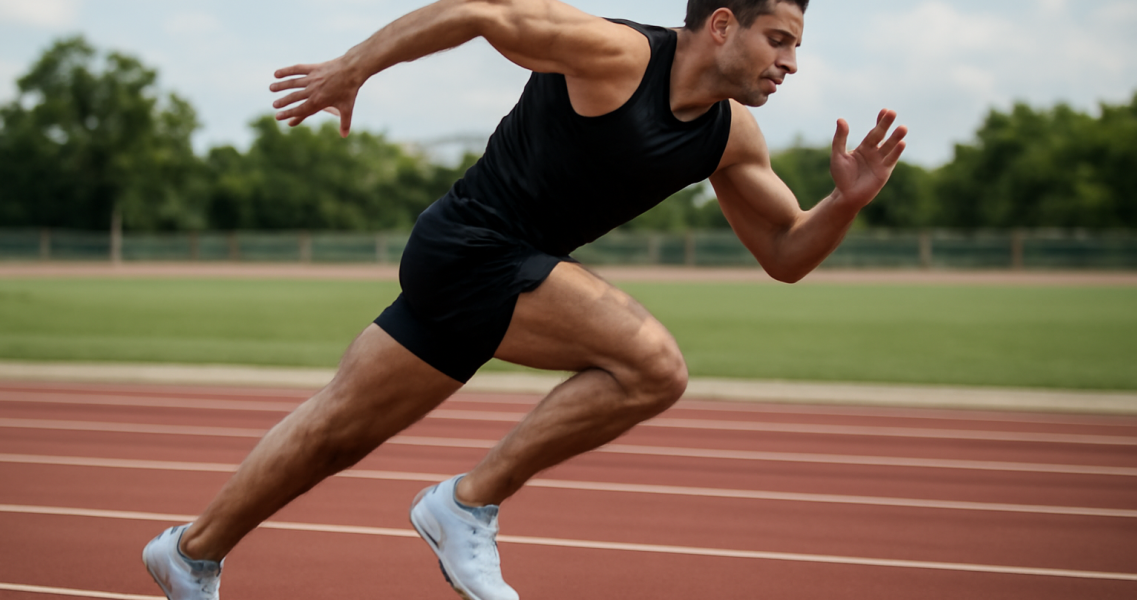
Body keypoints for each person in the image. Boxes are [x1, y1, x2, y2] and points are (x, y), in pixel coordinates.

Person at [141, 1, 907, 599]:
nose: (793, 62)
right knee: (653, 368)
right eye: (779, 39)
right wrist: (353, 67)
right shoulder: (617, 55)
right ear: (720, 26)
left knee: (332, 434)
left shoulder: (730, 135)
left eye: (797, 46)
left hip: (500, 274)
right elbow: (483, 9)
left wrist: (843, 204)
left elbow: (783, 254)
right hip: (472, 245)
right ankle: (466, 504)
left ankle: (189, 553)